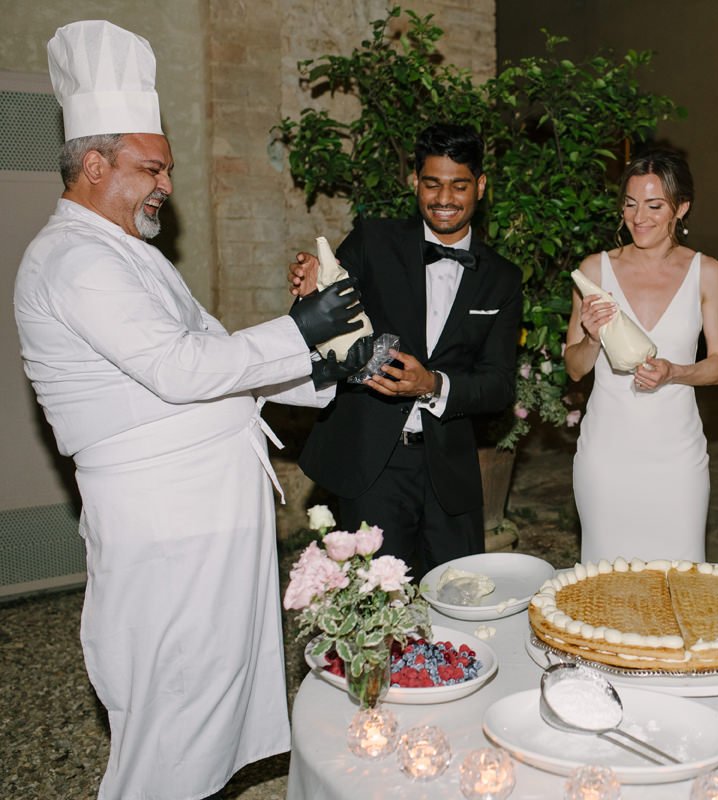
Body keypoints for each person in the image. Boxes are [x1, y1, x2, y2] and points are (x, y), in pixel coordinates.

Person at [13, 21, 370, 800]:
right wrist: (299, 333)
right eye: (152, 167)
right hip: (165, 525)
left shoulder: (130, 256)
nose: (165, 185)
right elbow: (182, 372)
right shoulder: (73, 259)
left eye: (167, 169)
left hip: (200, 520)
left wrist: (329, 358)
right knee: (170, 709)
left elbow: (221, 366)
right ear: (96, 164)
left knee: (207, 699)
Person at [293, 123, 522, 578]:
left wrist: (432, 384)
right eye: (432, 183)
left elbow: (498, 385)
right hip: (373, 463)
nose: (444, 198)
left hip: (449, 472)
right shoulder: (372, 242)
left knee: (457, 601)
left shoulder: (502, 277)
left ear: (480, 186)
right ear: (413, 181)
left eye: (459, 185)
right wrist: (310, 290)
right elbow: (324, 326)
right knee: (373, 605)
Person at [565, 149, 718, 563]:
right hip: (606, 455)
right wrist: (590, 337)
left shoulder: (705, 272)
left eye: (655, 205)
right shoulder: (595, 270)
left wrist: (674, 371)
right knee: (604, 585)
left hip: (676, 458)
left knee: (677, 582)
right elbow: (574, 368)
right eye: (630, 203)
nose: (639, 216)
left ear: (681, 208)